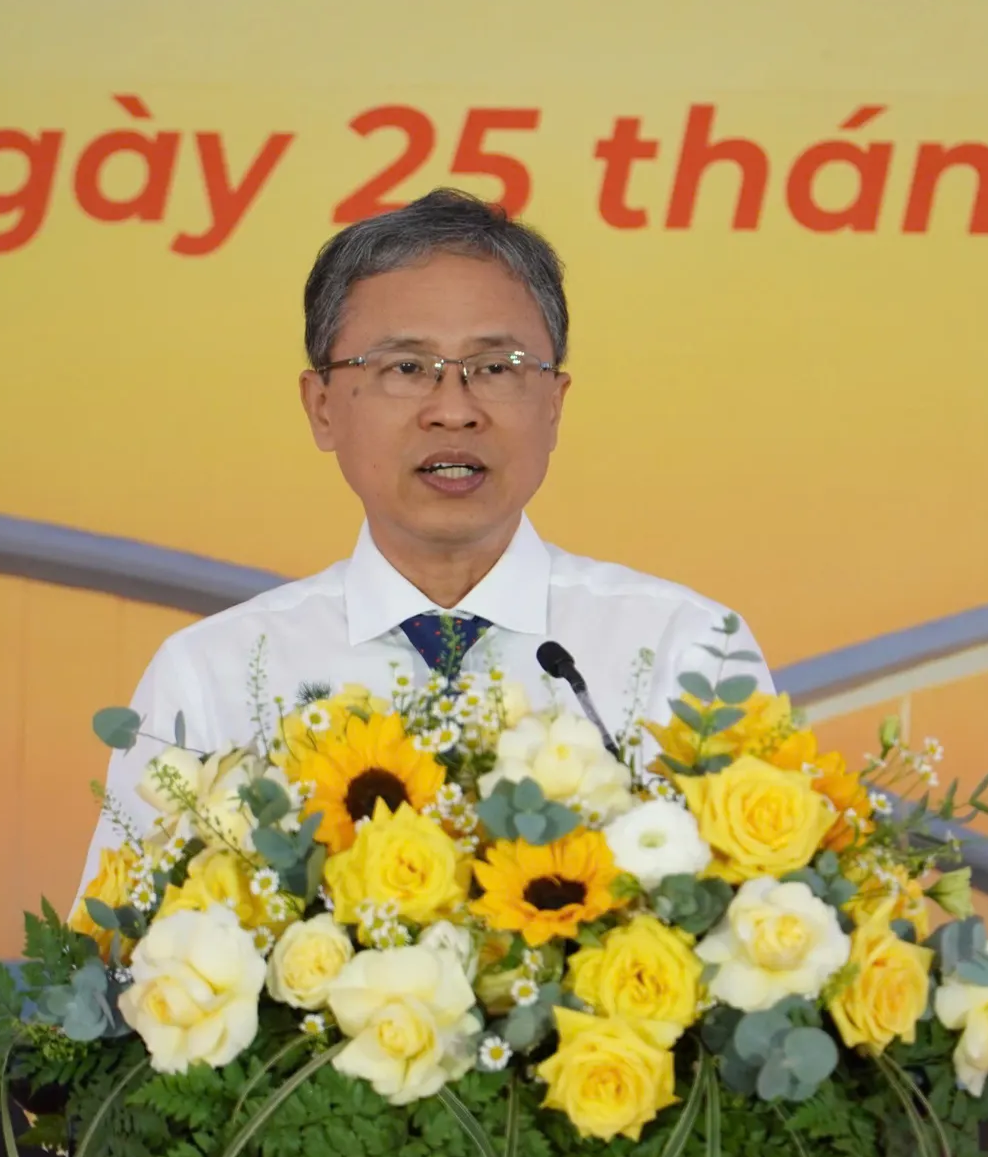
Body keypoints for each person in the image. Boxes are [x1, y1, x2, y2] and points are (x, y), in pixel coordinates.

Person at [73, 188, 770, 897]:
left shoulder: (687, 651)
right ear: (321, 407)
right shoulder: (210, 676)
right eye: (406, 369)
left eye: (496, 368)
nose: (454, 411)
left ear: (554, 405)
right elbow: (123, 951)